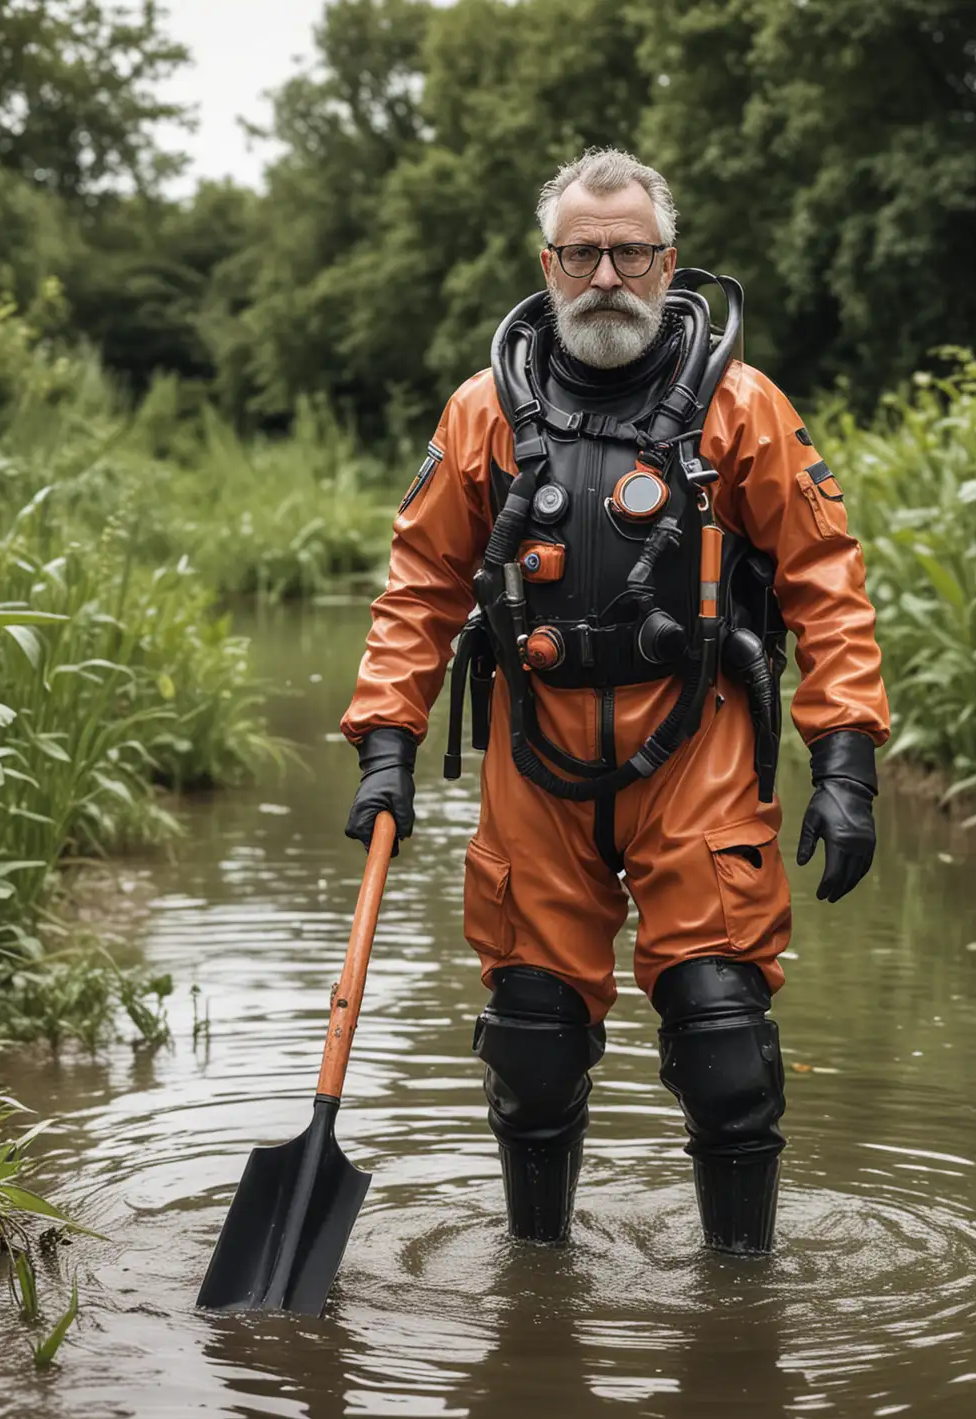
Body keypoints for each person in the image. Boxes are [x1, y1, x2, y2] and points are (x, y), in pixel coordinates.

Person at [342, 148, 888, 1254]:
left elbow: (826, 586)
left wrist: (847, 764)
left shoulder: (741, 409)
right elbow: (422, 589)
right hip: (534, 759)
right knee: (532, 1045)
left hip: (697, 751)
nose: (606, 275)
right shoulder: (484, 413)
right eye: (583, 253)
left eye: (628, 252)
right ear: (549, 265)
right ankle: (536, 1277)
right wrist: (387, 742)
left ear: (667, 262)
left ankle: (744, 1295)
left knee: (725, 1040)